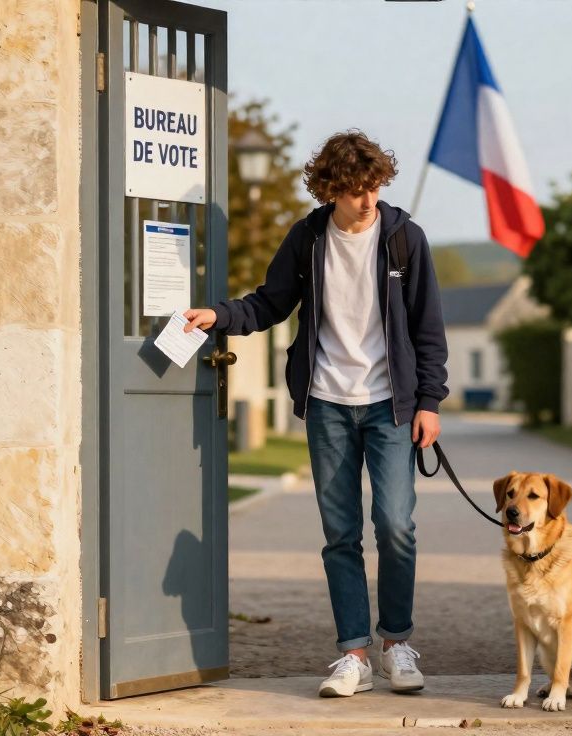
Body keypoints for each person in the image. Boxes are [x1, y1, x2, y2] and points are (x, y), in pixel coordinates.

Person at [183, 130, 449, 698]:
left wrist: (429, 401)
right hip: (327, 402)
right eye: (355, 190)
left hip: (391, 406)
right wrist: (220, 316)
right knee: (340, 534)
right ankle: (354, 654)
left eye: (374, 186)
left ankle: (396, 643)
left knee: (396, 526)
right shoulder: (307, 239)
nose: (367, 200)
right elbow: (270, 302)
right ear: (329, 190)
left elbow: (428, 328)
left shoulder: (405, 239)